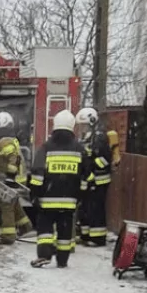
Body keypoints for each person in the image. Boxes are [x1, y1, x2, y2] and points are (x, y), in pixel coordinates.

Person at [28, 110, 91, 268]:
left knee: (45, 228)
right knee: (65, 230)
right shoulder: (79, 149)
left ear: (55, 125)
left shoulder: (46, 148)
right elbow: (87, 175)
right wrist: (80, 196)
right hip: (69, 201)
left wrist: (35, 194)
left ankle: (44, 255)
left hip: (47, 200)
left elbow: (37, 173)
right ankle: (62, 260)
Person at [75, 107, 120, 247]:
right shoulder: (86, 138)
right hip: (88, 180)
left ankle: (98, 239)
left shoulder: (100, 138)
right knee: (85, 208)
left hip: (99, 180)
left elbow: (105, 159)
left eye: (83, 125)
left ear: (92, 122)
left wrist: (90, 166)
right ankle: (85, 235)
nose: (81, 128)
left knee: (96, 209)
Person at [0, 111, 32, 244]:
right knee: (13, 202)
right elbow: (1, 161)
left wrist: (10, 178)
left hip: (12, 179)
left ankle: (8, 235)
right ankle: (25, 226)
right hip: (15, 178)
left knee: (6, 205)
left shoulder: (5, 143)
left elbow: (13, 160)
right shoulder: (7, 141)